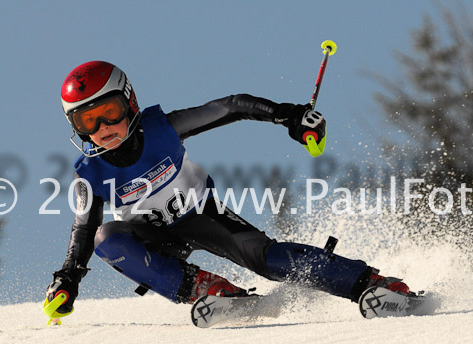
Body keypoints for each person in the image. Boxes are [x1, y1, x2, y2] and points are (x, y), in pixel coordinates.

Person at [45, 60, 410, 317]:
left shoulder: (162, 129)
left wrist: (290, 115)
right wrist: (68, 279)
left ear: (130, 102)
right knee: (107, 237)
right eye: (87, 121)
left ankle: (371, 283)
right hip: (153, 237)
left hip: (203, 215)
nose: (103, 127)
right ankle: (208, 289)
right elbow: (83, 230)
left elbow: (230, 107)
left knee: (267, 259)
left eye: (109, 111)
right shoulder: (90, 174)